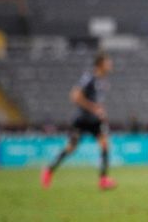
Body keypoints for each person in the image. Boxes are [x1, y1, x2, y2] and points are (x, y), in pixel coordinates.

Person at [41, 52, 117, 190]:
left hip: (95, 121)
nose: (110, 65)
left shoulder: (102, 81)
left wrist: (100, 111)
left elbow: (96, 101)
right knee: (71, 148)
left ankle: (103, 179)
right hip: (82, 119)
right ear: (100, 64)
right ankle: (49, 170)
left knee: (105, 144)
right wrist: (94, 108)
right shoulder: (89, 78)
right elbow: (75, 96)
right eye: (108, 62)